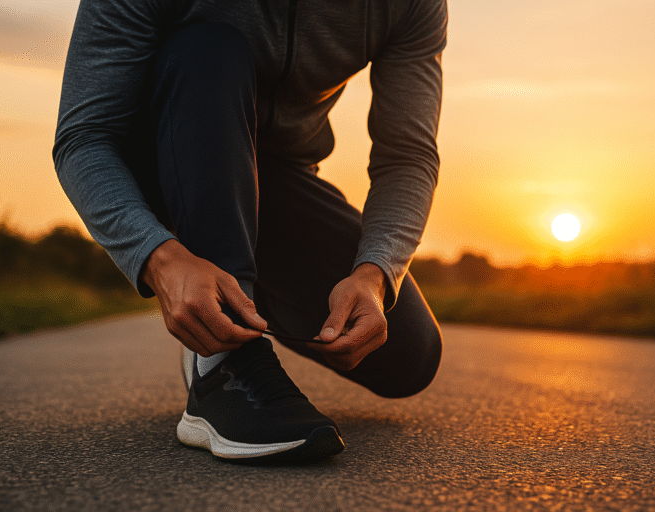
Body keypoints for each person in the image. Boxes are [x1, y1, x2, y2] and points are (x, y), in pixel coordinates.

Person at [53, 0, 446, 463]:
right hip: (162, 156)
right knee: (207, 47)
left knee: (407, 355)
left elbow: (407, 156)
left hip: (275, 175)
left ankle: (232, 306)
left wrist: (375, 275)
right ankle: (222, 366)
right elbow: (84, 137)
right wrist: (160, 256)